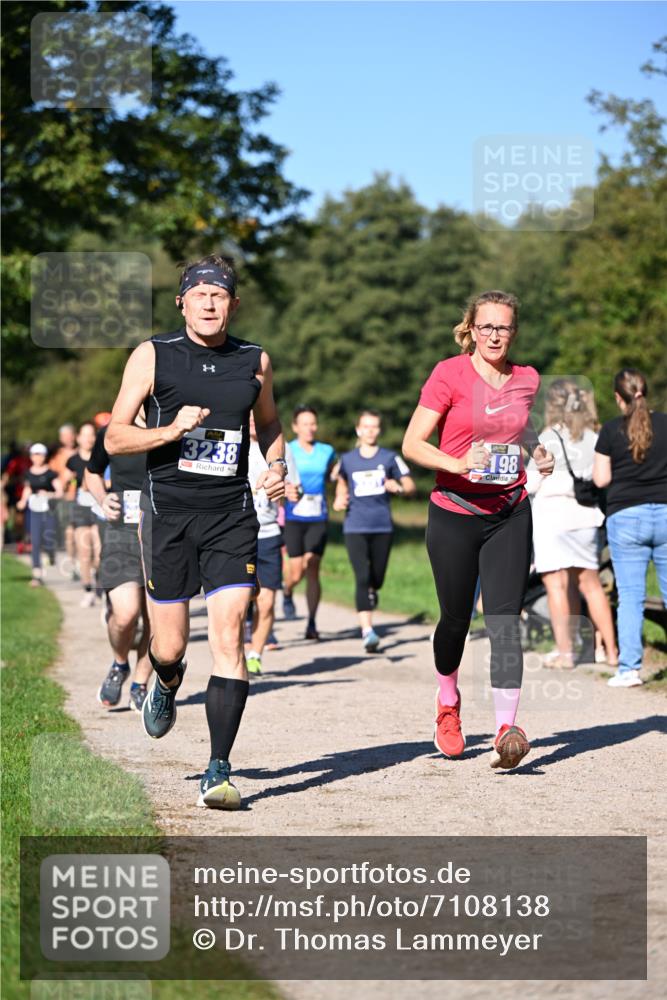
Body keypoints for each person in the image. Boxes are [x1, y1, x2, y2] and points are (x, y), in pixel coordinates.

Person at [105, 254, 287, 810]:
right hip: (170, 515)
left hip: (232, 515)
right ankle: (164, 678)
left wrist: (276, 466)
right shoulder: (153, 355)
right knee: (171, 644)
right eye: (200, 294)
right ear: (183, 301)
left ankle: (218, 768)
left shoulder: (254, 360)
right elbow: (114, 437)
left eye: (221, 294)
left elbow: (271, 425)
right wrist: (169, 430)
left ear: (233, 303)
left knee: (230, 635)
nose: (210, 303)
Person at [402, 290, 554, 770]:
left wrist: (536, 451)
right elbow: (412, 443)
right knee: (455, 621)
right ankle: (448, 702)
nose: (494, 335)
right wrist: (458, 462)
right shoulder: (449, 373)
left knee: (506, 621)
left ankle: (507, 728)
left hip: (510, 511)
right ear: (470, 328)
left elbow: (518, 428)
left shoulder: (527, 379)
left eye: (503, 327)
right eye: (485, 326)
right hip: (454, 510)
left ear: (514, 332)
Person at [527, 379, 618, 669]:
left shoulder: (547, 436)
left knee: (557, 585)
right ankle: (612, 652)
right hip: (586, 516)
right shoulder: (595, 436)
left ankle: (566, 652)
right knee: (590, 585)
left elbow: (531, 481)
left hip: (552, 515)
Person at [593, 368, 667, 688]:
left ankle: (629, 670)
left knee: (631, 596)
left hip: (626, 518)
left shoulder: (610, 431)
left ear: (617, 397)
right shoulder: (666, 424)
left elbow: (601, 479)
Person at [85, 415, 152, 712]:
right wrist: (102, 498)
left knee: (159, 620)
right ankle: (119, 663)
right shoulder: (112, 432)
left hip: (163, 532)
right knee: (125, 614)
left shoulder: (173, 426)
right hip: (122, 531)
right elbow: (92, 472)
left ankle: (140, 683)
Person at [334, 409, 415, 652]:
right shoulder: (347, 459)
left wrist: (398, 487)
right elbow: (341, 483)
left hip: (382, 526)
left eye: (374, 427)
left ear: (379, 430)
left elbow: (410, 486)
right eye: (365, 426)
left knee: (376, 579)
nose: (370, 431)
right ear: (358, 430)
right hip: (354, 527)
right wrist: (339, 499)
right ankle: (367, 631)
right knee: (361, 577)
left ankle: (372, 590)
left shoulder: (390, 458)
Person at [245, 413, 301, 675]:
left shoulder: (281, 447)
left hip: (267, 533)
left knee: (266, 602)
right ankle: (232, 654)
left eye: (259, 415)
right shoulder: (234, 441)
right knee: (239, 601)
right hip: (236, 533)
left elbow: (295, 489)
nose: (254, 420)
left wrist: (293, 492)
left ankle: (254, 654)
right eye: (250, 415)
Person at [282, 405, 337, 640]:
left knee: (312, 565)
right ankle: (287, 590)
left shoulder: (327, 451)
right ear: (295, 427)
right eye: (304, 424)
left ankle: (312, 622)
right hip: (294, 518)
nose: (310, 428)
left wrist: (341, 483)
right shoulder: (287, 450)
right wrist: (285, 490)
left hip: (318, 517)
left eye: (313, 423)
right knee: (296, 571)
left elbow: (336, 474)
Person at [63, 421, 102, 606]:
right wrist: (69, 485)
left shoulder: (101, 455)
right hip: (81, 507)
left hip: (100, 505)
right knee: (84, 551)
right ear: (78, 438)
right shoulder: (72, 460)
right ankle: (88, 590)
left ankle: (98, 579)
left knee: (100, 551)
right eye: (85, 435)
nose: (89, 438)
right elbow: (65, 481)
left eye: (92, 435)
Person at [16, 443, 63, 586]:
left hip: (48, 511)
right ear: (31, 456)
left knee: (48, 540)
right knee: (35, 541)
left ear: (44, 456)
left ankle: (51, 554)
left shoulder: (50, 473)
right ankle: (37, 574)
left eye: (40, 454)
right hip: (34, 510)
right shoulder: (28, 473)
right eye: (34, 454)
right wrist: (23, 501)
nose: (37, 457)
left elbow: (59, 492)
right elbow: (28, 488)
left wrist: (49, 494)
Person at [49, 424, 78, 575]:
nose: (69, 438)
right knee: (69, 531)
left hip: (82, 497)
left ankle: (85, 562)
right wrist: (65, 479)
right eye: (65, 435)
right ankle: (72, 561)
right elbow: (52, 477)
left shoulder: (83, 451)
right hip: (66, 498)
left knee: (82, 531)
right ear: (61, 438)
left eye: (71, 434)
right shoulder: (57, 456)